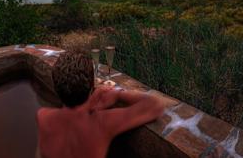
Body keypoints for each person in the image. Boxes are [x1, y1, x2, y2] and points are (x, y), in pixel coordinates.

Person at [36, 52, 165, 158]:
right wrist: (118, 94)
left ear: (56, 87)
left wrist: (90, 103)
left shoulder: (42, 116)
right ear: (92, 87)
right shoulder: (101, 123)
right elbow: (155, 105)